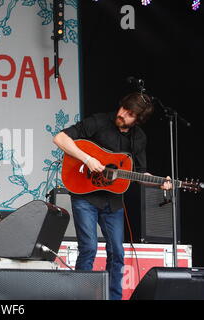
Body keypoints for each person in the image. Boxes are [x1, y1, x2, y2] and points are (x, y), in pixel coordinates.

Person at [53, 92, 171, 300]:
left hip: (113, 201)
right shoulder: (99, 121)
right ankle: (81, 297)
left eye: (130, 113)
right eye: (124, 108)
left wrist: (160, 181)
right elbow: (60, 137)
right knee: (89, 248)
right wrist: (87, 158)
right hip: (85, 196)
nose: (123, 113)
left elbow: (140, 174)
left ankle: (114, 298)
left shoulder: (139, 138)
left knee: (117, 252)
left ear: (138, 119)